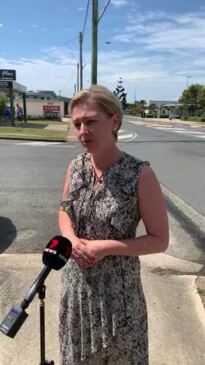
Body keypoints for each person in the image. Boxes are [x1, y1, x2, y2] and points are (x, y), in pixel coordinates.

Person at [58, 85, 169, 365]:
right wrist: (70, 238)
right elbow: (64, 210)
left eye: (91, 121)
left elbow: (159, 239)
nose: (83, 131)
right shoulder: (76, 167)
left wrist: (106, 247)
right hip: (76, 292)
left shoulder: (140, 174)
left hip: (120, 301)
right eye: (78, 124)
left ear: (115, 121)